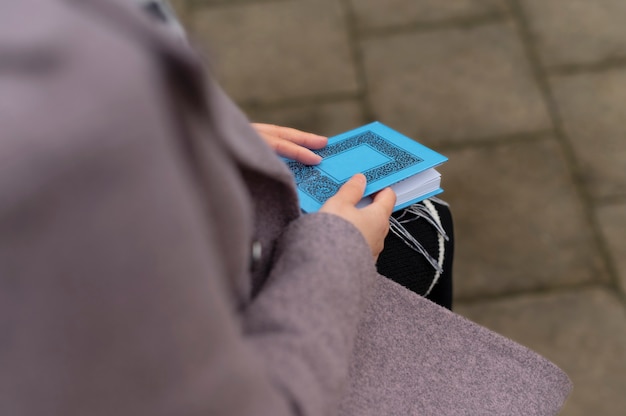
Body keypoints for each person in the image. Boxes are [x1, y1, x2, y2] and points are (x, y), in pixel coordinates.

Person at [0, 0, 572, 415]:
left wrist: (189, 135)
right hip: (283, 327)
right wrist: (336, 254)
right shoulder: (57, 113)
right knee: (417, 229)